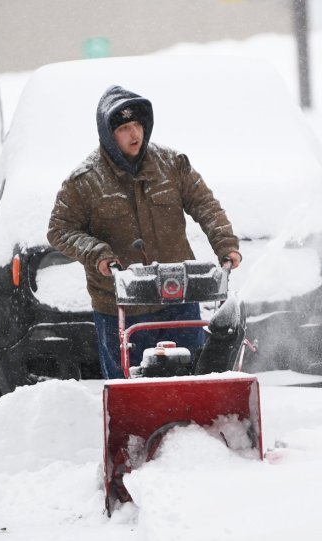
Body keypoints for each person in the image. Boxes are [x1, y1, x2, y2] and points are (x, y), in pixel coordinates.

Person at [47, 85, 242, 379]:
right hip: (121, 304)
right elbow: (59, 230)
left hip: (178, 297)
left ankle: (191, 425)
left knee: (192, 379)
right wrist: (97, 253)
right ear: (108, 134)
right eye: (124, 128)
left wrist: (225, 244)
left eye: (137, 125)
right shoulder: (83, 181)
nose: (134, 134)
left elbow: (205, 205)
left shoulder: (172, 164)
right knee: (131, 386)